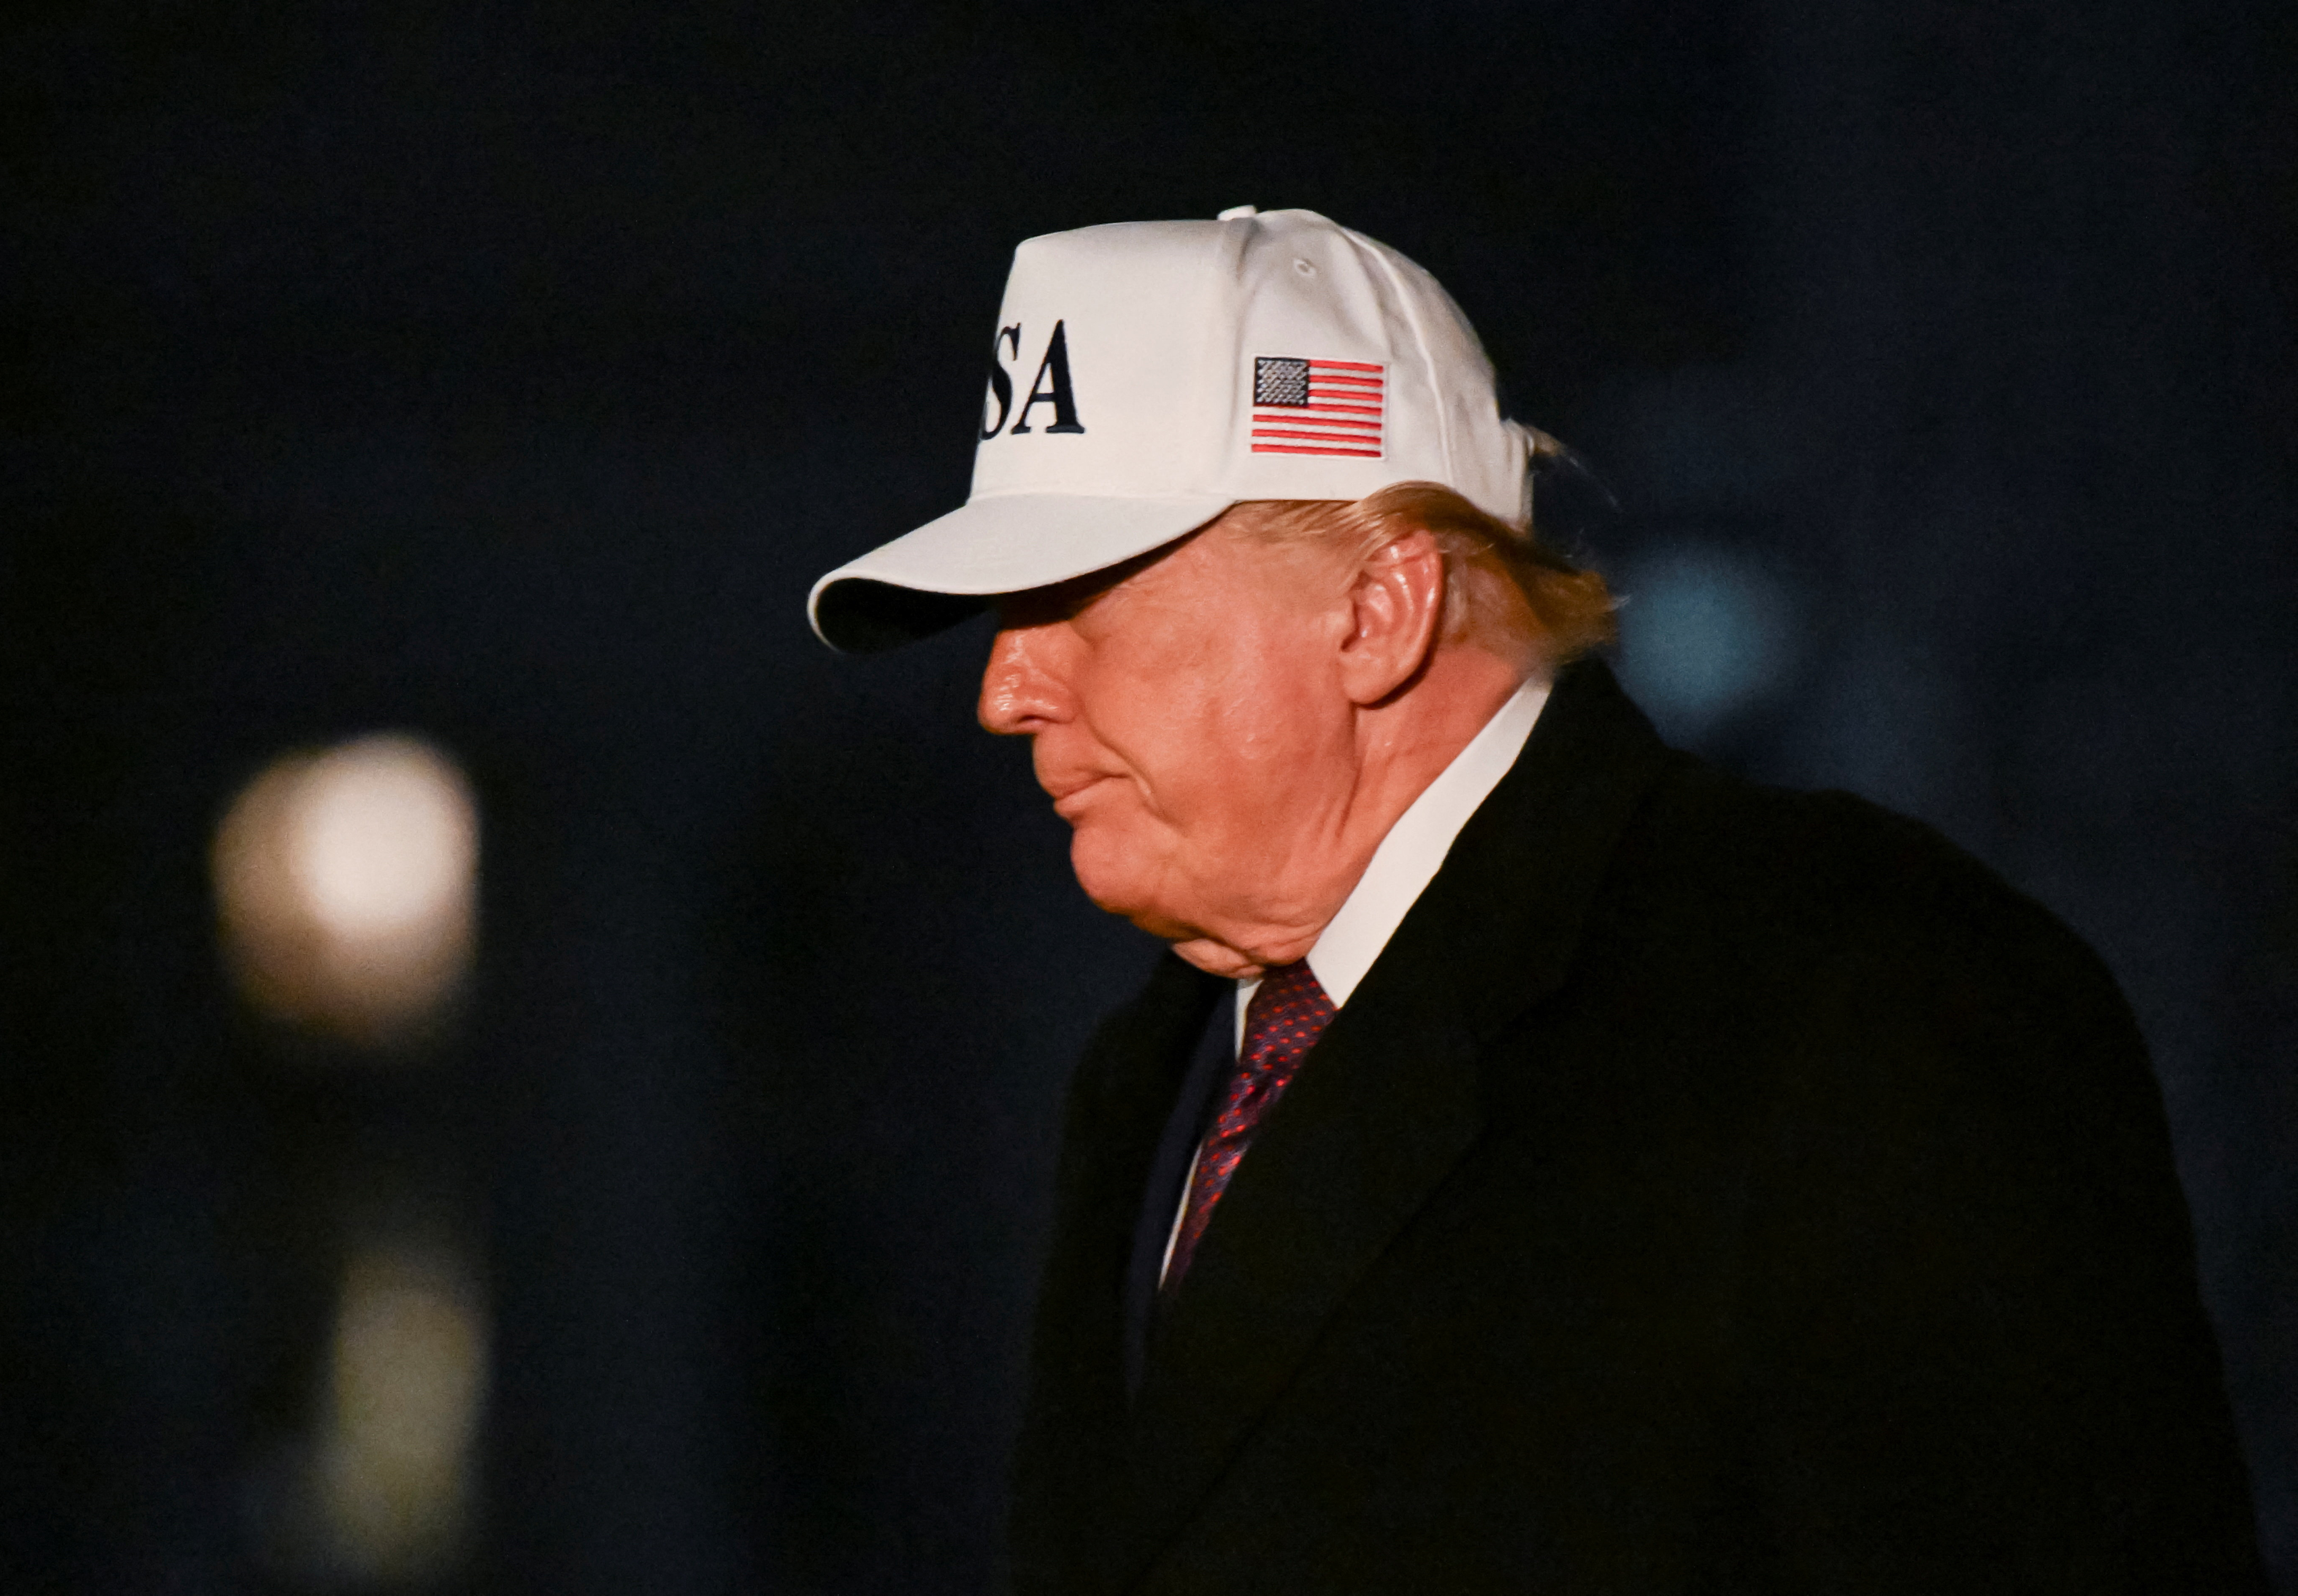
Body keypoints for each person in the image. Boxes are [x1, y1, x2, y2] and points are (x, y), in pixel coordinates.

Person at [806, 208, 2266, 1593]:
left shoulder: (1849, 990)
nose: (1006, 689)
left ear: (1378, 610)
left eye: (1078, 599)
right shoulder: (1155, 1073)